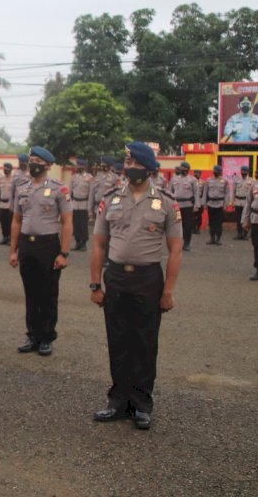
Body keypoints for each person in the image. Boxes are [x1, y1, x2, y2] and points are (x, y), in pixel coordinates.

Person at [90, 142, 182, 430]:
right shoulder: (111, 199)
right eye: (127, 163)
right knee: (117, 341)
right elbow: (98, 244)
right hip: (116, 278)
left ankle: (141, 404)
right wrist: (95, 284)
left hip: (147, 280)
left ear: (148, 168)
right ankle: (118, 401)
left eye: (134, 163)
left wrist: (168, 291)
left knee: (144, 342)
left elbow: (176, 250)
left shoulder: (166, 202)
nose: (129, 167)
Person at [10, 147, 72, 357]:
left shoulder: (58, 188)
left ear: (48, 165)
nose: (33, 163)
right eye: (31, 160)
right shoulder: (22, 188)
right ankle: (32, 335)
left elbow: (67, 222)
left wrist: (64, 253)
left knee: (48, 293)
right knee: (31, 293)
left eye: (38, 160)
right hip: (27, 245)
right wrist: (13, 250)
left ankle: (46, 337)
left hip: (48, 246)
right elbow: (16, 220)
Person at [169, 162, 199, 251]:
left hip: (188, 206)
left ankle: (186, 243)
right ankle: (178, 243)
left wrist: (196, 205)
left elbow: (196, 193)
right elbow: (170, 192)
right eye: (181, 168)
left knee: (187, 225)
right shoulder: (174, 179)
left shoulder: (192, 180)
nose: (183, 170)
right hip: (177, 206)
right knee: (177, 225)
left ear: (188, 169)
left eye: (185, 168)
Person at [70, 159, 94, 251]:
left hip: (84, 204)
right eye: (77, 165)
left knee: (83, 225)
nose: (77, 167)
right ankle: (77, 242)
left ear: (84, 167)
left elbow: (91, 194)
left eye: (79, 166)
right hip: (75, 204)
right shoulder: (73, 177)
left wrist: (89, 208)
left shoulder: (89, 177)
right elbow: (70, 191)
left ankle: (84, 243)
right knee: (75, 224)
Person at [203, 165, 228, 246]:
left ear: (220, 172)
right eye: (214, 171)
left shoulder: (224, 181)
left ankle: (218, 238)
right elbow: (205, 192)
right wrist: (204, 204)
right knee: (211, 222)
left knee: (219, 222)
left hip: (220, 204)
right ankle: (212, 238)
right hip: (211, 204)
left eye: (217, 171)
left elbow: (227, 193)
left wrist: (225, 205)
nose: (215, 172)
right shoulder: (208, 180)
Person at [240, 181, 258, 280]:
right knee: (256, 245)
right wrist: (245, 220)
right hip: (255, 219)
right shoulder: (254, 185)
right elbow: (248, 203)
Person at [232, 165, 254, 240]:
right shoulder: (237, 180)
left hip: (246, 202)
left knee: (246, 218)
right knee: (238, 218)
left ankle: (245, 234)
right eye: (242, 171)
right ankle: (239, 233)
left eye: (245, 171)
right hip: (238, 201)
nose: (243, 172)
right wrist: (233, 201)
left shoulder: (251, 181)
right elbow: (233, 191)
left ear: (247, 172)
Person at [0, 162, 14, 245]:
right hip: (2, 204)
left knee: (10, 223)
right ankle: (5, 237)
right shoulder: (0, 179)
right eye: (4, 168)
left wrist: (13, 204)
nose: (5, 170)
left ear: (11, 170)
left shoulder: (14, 180)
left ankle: (10, 238)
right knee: (3, 223)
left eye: (7, 169)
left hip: (10, 205)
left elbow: (15, 193)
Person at [193, 170, 204, 234]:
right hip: (192, 200)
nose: (196, 174)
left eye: (198, 173)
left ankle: (198, 228)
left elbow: (204, 192)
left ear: (200, 174)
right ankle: (193, 228)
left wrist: (203, 202)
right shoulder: (191, 181)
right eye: (195, 173)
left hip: (200, 200)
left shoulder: (202, 182)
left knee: (199, 215)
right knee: (192, 216)